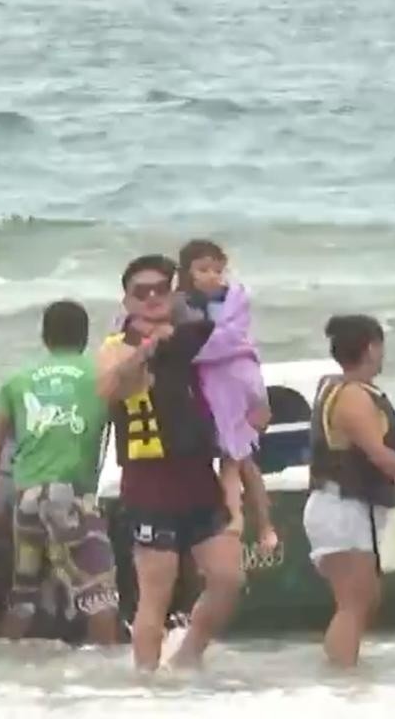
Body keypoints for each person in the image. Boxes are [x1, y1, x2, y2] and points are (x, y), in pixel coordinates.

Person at [96, 254, 242, 672]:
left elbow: (234, 349)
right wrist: (144, 350)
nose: (152, 298)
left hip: (197, 476)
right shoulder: (116, 346)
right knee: (155, 595)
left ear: (174, 292)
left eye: (160, 288)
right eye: (141, 292)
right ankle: (145, 684)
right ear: (127, 300)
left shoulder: (193, 336)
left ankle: (188, 657)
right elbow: (106, 389)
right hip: (149, 482)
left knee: (229, 579)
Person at [0, 300, 120, 645]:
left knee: (24, 596)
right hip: (71, 501)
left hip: (27, 499)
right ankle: (114, 685)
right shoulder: (102, 376)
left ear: (44, 337)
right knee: (99, 595)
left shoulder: (18, 380)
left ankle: (3, 669)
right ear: (85, 337)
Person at [305, 315, 395, 669]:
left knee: (365, 598)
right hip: (341, 507)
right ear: (371, 348)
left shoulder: (338, 385)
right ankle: (342, 681)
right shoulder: (353, 397)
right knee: (354, 603)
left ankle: (342, 675)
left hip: (347, 506)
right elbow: (379, 454)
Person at [175, 239, 277, 549]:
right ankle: (246, 523)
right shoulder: (181, 304)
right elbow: (184, 342)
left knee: (238, 457)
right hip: (208, 385)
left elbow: (232, 338)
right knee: (233, 457)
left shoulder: (234, 298)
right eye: (203, 269)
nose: (211, 276)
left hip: (238, 381)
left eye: (217, 270)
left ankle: (246, 522)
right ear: (187, 272)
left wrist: (197, 349)